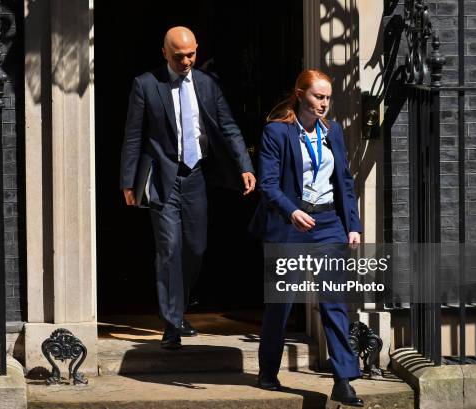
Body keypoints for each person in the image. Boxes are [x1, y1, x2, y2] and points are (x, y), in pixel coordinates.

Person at [120, 26, 256, 349]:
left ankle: (178, 309)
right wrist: (128, 181)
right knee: (169, 249)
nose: (186, 61)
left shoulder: (208, 85)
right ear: (164, 53)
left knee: (195, 248)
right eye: (179, 56)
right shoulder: (146, 85)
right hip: (162, 177)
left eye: (191, 54)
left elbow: (229, 127)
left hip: (196, 176)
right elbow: (133, 136)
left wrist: (245, 167)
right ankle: (171, 323)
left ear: (197, 48)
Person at [249, 69, 364, 407]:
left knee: (334, 303)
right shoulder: (277, 132)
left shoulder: (333, 131)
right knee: (281, 304)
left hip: (328, 222)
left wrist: (352, 225)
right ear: (299, 95)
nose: (324, 104)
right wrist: (291, 212)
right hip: (291, 224)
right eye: (317, 97)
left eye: (327, 98)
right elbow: (268, 184)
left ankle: (344, 379)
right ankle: (268, 369)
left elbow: (344, 181)